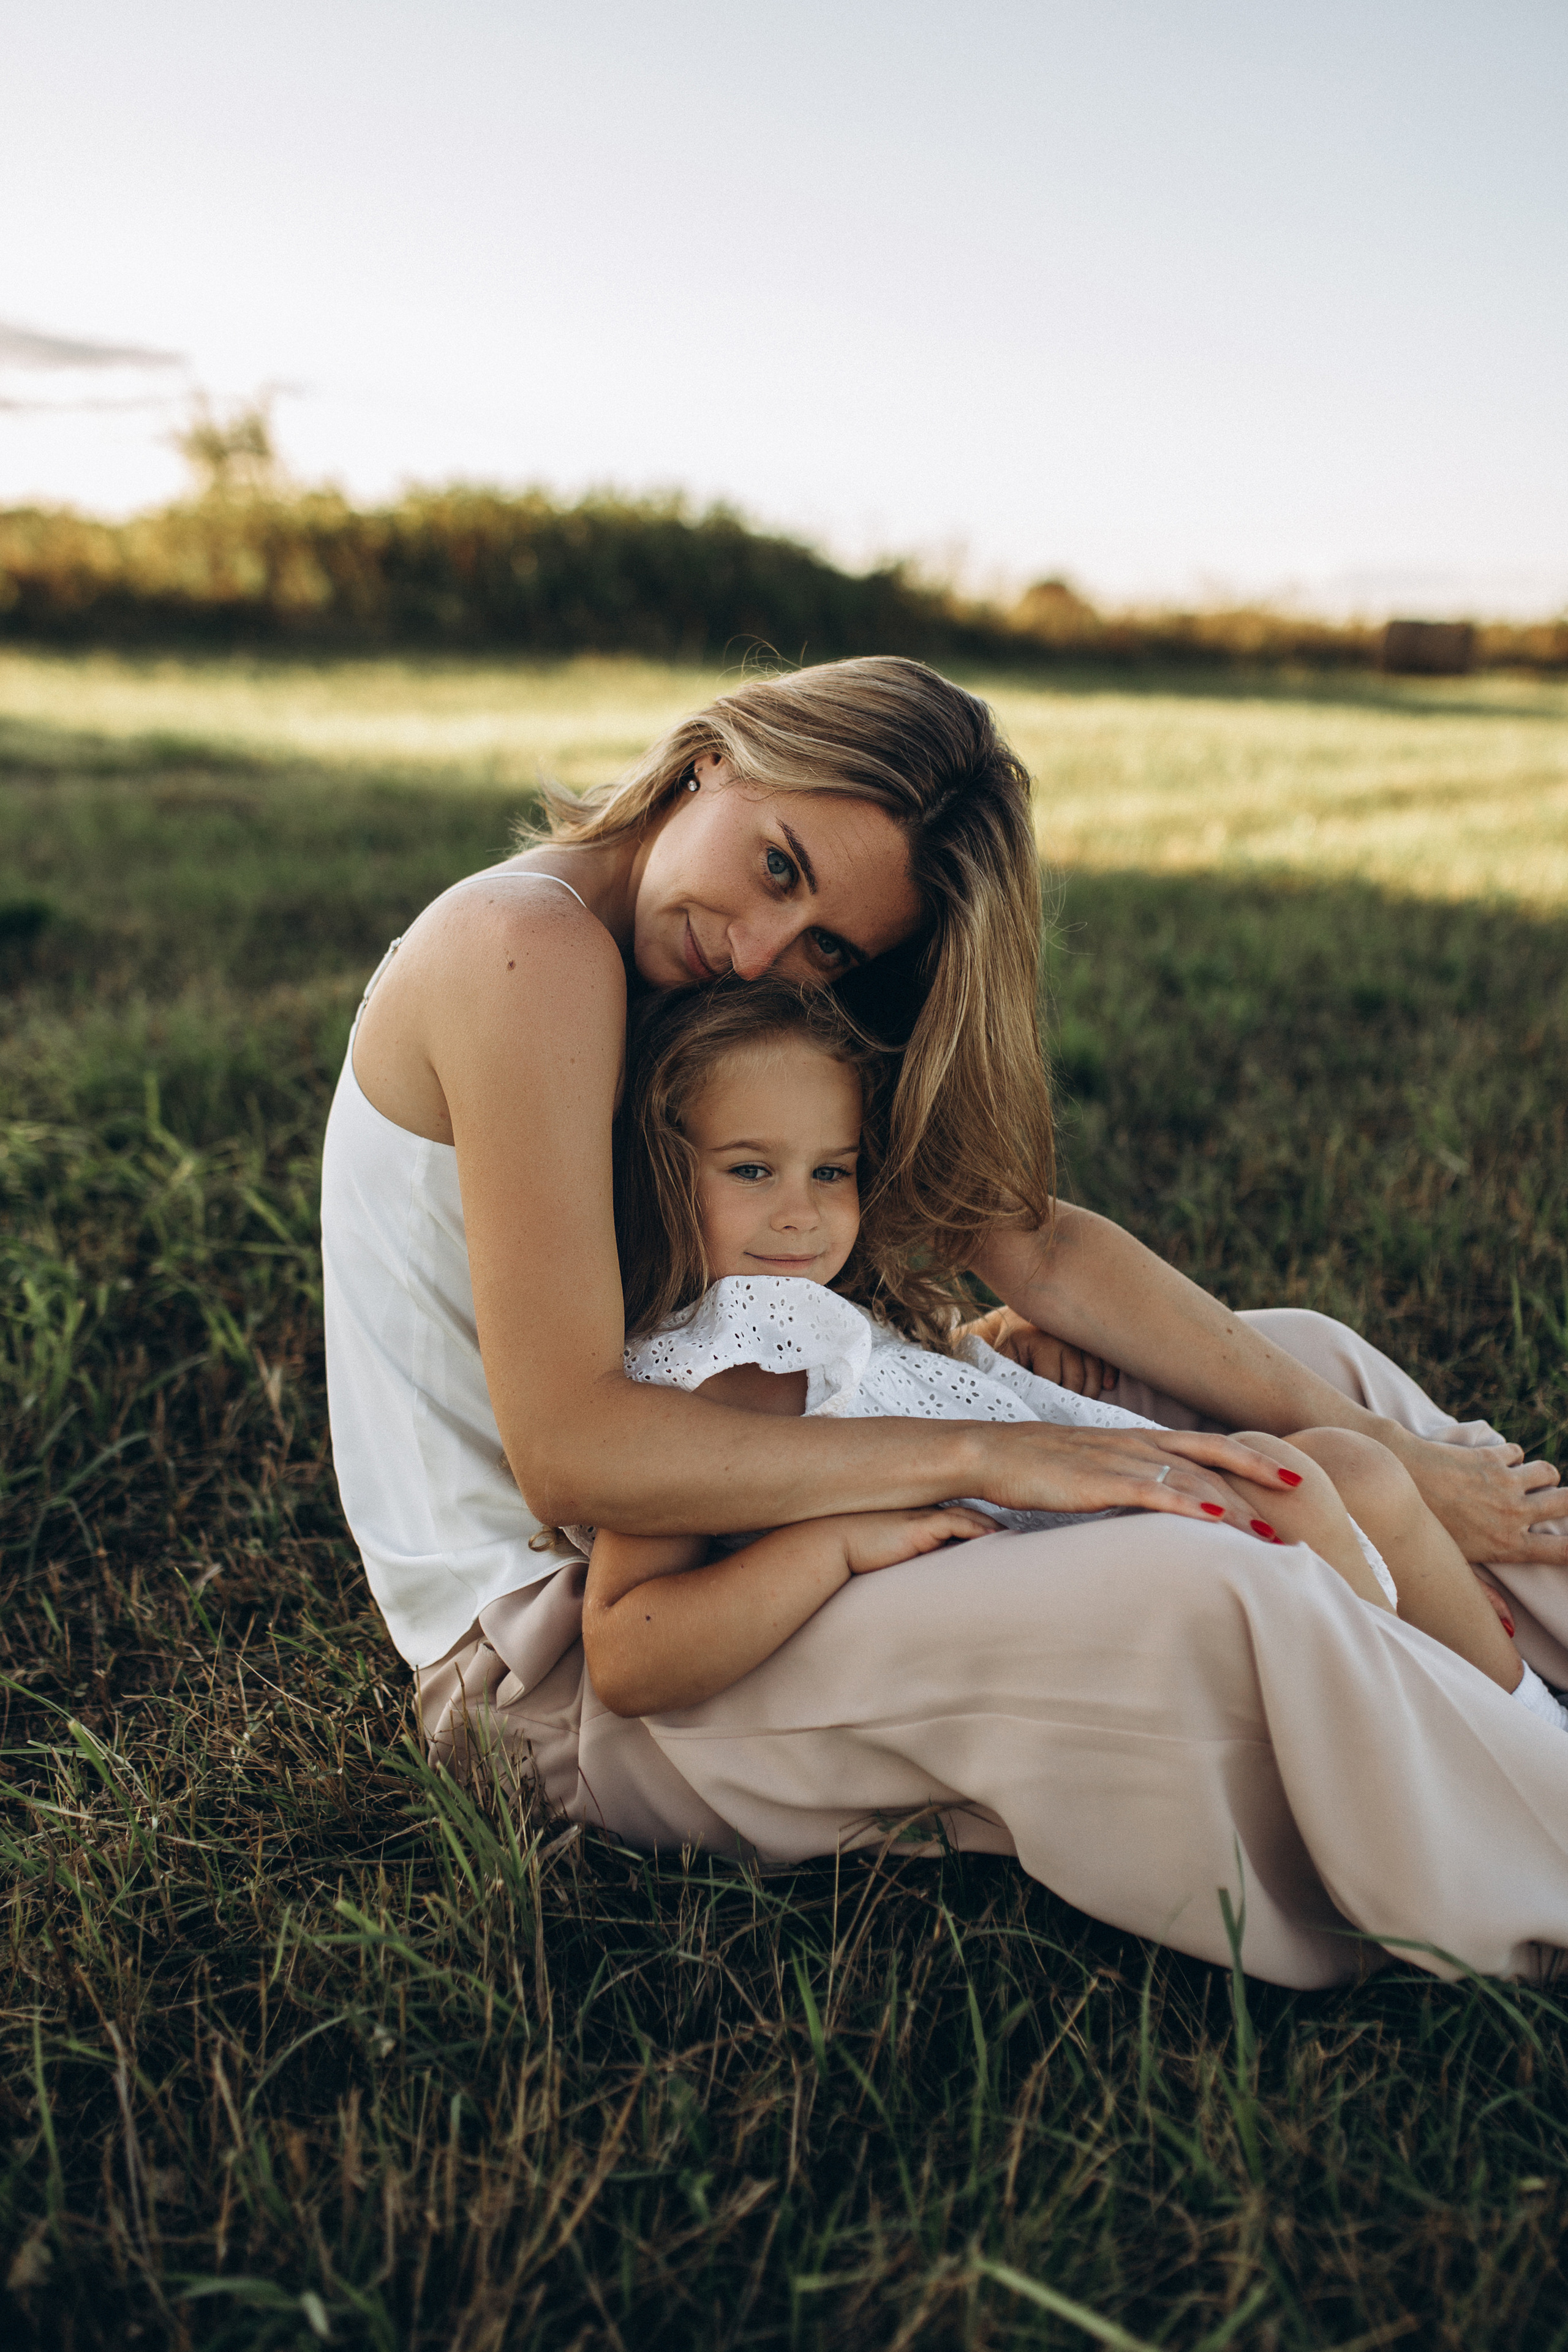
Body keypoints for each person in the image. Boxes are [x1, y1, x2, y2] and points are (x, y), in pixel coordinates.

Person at [322, 655, 1568, 1987]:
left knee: (1307, 1369)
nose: (755, 950)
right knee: (1193, 1580)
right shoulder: (529, 949)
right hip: (564, 1651)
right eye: (779, 864)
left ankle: (1517, 1693)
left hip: (737, 1478)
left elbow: (1023, 1237)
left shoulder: (741, 989)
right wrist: (981, 1448)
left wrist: (1360, 1445)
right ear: (718, 757)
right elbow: (572, 1451)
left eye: (824, 945)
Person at [582, 976, 1567, 1730]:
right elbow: (628, 1651)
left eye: (831, 1171)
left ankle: (1507, 1708)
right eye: (751, 1170)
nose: (801, 1213)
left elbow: (880, 1390)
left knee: (1353, 1471)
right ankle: (1477, 1731)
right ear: (662, 1174)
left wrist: (989, 1351)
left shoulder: (812, 1306)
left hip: (1067, 1493)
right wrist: (827, 1546)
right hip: (1032, 1560)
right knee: (1316, 1489)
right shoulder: (708, 1368)